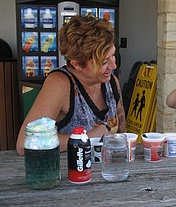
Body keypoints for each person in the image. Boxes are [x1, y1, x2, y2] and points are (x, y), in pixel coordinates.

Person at [16, 15, 126, 155]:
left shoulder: (111, 82)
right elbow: (24, 143)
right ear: (77, 64)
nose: (113, 65)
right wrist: (87, 137)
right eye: (104, 62)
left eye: (113, 55)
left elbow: (123, 136)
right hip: (70, 173)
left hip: (107, 172)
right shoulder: (60, 84)